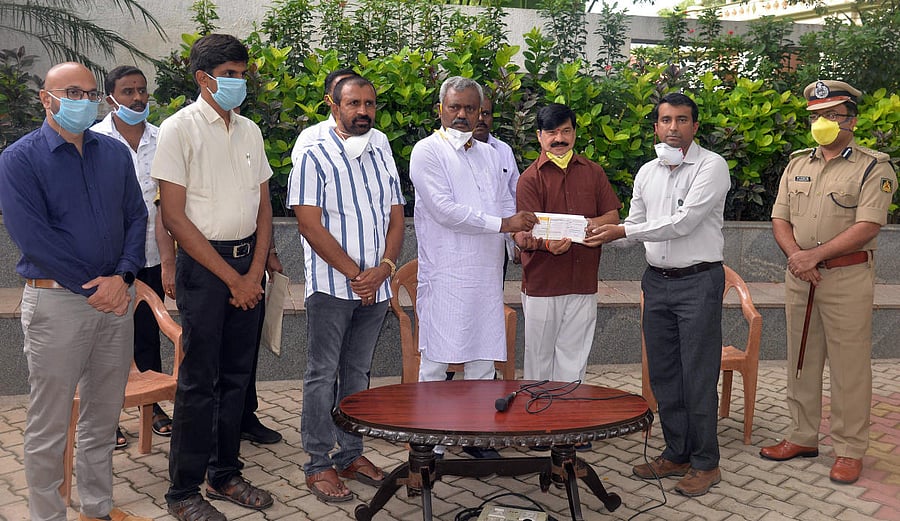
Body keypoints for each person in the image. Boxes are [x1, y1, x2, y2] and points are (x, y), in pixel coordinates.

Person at [0, 61, 149, 521]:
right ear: (47, 99)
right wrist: (97, 286)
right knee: (49, 426)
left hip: (115, 302)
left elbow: (137, 217)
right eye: (72, 93)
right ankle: (48, 515)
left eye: (90, 93)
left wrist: (121, 277)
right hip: (56, 304)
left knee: (103, 420)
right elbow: (34, 238)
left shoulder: (115, 153)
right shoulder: (19, 159)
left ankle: (97, 510)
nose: (82, 101)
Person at [152, 33, 274, 520]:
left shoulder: (250, 131)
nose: (238, 83)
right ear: (204, 79)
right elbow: (175, 218)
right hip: (205, 270)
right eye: (229, 75)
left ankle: (225, 473)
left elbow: (265, 206)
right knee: (199, 381)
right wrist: (233, 279)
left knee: (237, 379)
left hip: (249, 264)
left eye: (243, 75)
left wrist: (256, 269)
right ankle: (183, 491)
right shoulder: (177, 129)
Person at [589, 92, 731, 497]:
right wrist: (596, 233)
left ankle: (707, 463)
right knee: (665, 373)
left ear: (694, 127)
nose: (673, 128)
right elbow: (634, 225)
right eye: (666, 120)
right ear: (655, 126)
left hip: (699, 281)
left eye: (682, 120)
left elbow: (683, 223)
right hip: (657, 281)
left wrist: (624, 231)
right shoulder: (647, 171)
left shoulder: (711, 166)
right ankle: (676, 452)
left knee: (698, 375)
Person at [760, 80, 897, 485]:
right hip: (802, 277)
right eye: (817, 116)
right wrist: (796, 259)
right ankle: (803, 435)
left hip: (847, 277)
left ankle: (850, 449)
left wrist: (813, 256)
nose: (822, 122)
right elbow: (779, 218)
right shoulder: (798, 163)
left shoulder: (875, 167)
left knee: (848, 367)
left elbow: (868, 224)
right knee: (801, 358)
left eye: (832, 115)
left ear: (851, 120)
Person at [288, 75, 405, 502]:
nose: (363, 111)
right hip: (333, 287)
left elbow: (396, 216)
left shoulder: (381, 148)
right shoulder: (312, 154)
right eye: (354, 103)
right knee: (321, 374)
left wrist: (385, 268)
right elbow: (308, 223)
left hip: (376, 286)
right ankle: (317, 463)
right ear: (332, 105)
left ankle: (351, 453)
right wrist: (359, 274)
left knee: (358, 372)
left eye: (370, 104)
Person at [409, 76, 538, 457]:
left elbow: (502, 203)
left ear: (481, 112)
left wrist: (519, 237)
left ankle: (475, 436)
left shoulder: (490, 154)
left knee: (483, 358)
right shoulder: (427, 151)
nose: (462, 115)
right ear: (441, 110)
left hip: (484, 274)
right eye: (455, 107)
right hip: (446, 274)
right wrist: (505, 225)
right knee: (435, 361)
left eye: (470, 108)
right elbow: (445, 211)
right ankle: (427, 441)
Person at [91, 65, 173, 448]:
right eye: (128, 92)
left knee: (146, 334)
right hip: (105, 259)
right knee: (102, 340)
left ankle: (151, 407)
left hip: (151, 254)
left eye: (142, 90)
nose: (137, 98)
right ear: (111, 98)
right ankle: (104, 417)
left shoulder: (164, 138)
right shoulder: (92, 140)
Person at [514, 103, 621, 383]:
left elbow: (612, 215)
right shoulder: (529, 179)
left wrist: (589, 226)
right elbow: (523, 235)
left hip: (583, 281)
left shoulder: (593, 172)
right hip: (543, 283)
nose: (559, 139)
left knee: (574, 361)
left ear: (574, 133)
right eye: (551, 132)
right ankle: (537, 423)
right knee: (539, 361)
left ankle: (569, 422)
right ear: (539, 136)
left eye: (565, 131)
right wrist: (547, 245)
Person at [290, 68, 397, 176]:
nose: (362, 111)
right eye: (354, 102)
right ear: (329, 100)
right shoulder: (311, 137)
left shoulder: (378, 138)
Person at [473, 92, 520, 276]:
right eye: (475, 112)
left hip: (496, 244)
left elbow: (513, 196)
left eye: (486, 113)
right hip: (466, 243)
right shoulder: (445, 152)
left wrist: (515, 240)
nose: (480, 119)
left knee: (493, 297)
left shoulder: (503, 151)